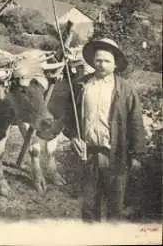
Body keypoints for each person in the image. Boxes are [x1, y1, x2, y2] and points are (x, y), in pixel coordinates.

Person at [62, 37, 145, 222]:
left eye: (107, 61)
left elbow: (136, 122)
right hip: (88, 153)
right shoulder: (82, 86)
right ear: (92, 61)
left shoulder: (125, 89)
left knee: (115, 206)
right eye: (98, 60)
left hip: (115, 154)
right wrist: (73, 136)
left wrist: (137, 155)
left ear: (115, 64)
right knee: (89, 205)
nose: (101, 64)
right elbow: (69, 116)